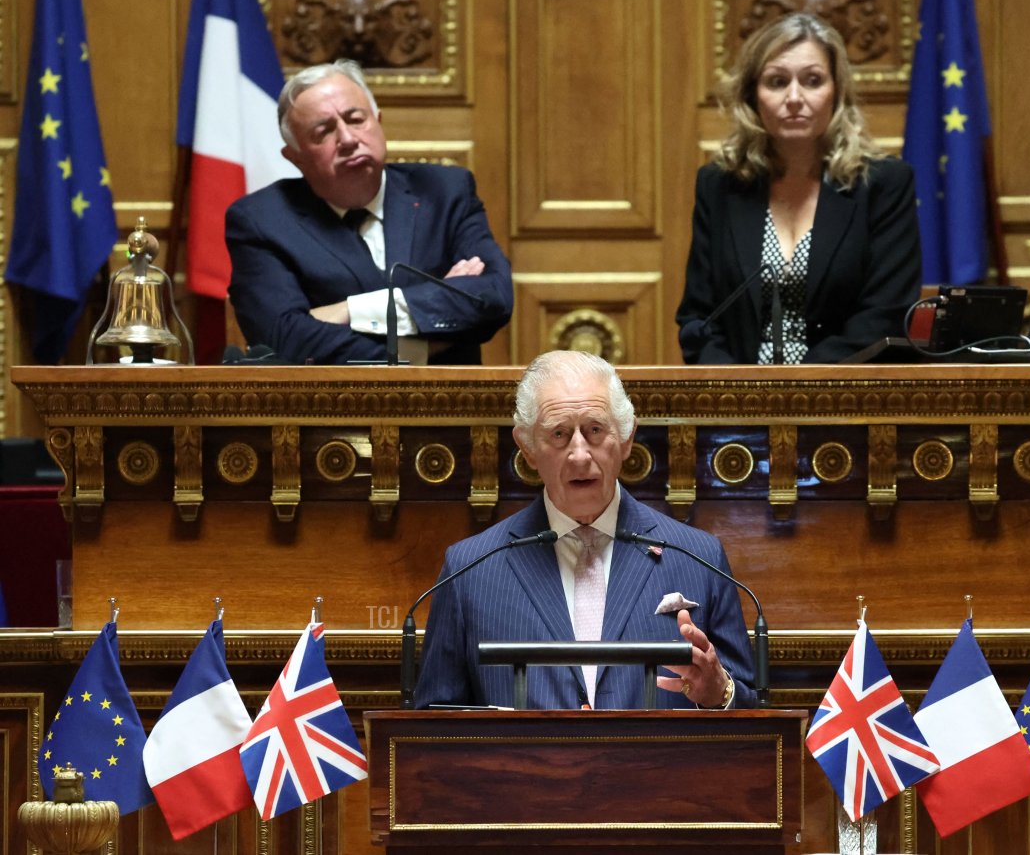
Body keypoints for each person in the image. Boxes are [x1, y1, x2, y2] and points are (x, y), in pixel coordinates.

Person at [415, 350, 755, 710]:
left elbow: (753, 713)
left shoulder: (699, 558)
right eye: (559, 434)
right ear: (527, 448)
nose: (579, 454)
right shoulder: (471, 568)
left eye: (595, 430)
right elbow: (435, 723)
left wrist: (720, 693)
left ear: (626, 438)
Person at [226, 59, 512, 365]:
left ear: (378, 120)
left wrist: (348, 310)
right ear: (294, 157)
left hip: (447, 404)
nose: (348, 139)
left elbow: (491, 297)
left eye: (356, 119)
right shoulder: (261, 220)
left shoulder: (445, 191)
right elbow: (283, 340)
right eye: (323, 131)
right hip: (330, 408)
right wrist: (421, 346)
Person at [676, 12, 921, 365]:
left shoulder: (882, 184)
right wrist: (735, 392)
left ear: (836, 92)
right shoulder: (720, 185)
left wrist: (797, 389)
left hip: (846, 398)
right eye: (777, 82)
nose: (794, 97)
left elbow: (884, 315)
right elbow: (698, 317)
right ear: (752, 95)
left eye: (812, 80)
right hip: (737, 403)